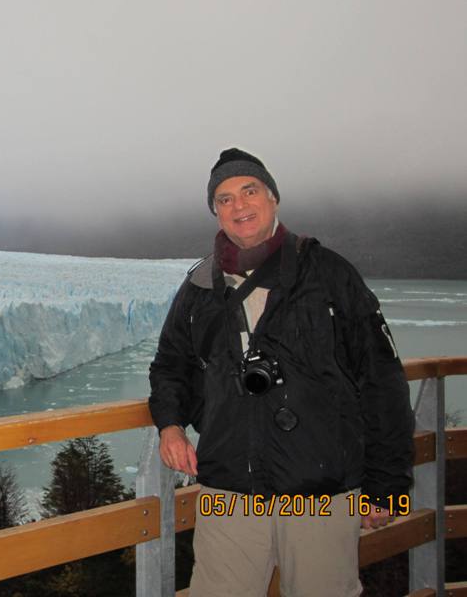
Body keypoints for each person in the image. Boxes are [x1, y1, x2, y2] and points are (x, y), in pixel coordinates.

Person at [149, 148, 414, 597]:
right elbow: (171, 364)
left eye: (249, 191)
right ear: (216, 214)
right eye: (225, 199)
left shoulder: (329, 274)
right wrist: (169, 425)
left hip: (322, 492)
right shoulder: (199, 285)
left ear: (273, 198)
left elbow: (381, 382)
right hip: (229, 490)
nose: (239, 206)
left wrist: (387, 489)